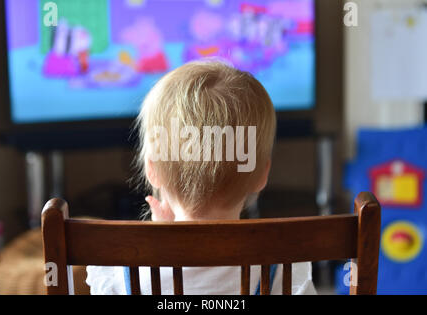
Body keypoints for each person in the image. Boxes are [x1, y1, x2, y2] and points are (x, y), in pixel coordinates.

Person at [86, 60, 316, 295]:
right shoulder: (285, 272)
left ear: (151, 169)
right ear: (262, 175)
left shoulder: (117, 273)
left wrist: (158, 239)